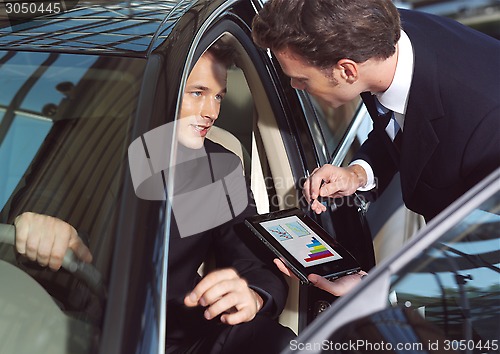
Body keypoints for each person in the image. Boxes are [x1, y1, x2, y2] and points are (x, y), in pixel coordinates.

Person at [14, 39, 295, 353]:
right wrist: (36, 224)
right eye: (198, 93)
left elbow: (255, 259)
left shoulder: (216, 171)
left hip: (166, 337)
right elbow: (38, 202)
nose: (212, 111)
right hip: (53, 322)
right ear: (159, 90)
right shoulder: (79, 141)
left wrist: (253, 294)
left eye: (218, 97)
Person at [252, 0, 500, 296]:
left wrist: (379, 289)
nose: (293, 85)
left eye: (302, 78)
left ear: (347, 71)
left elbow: (489, 262)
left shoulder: (486, 125)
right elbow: (405, 122)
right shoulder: (372, 41)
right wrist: (357, 174)